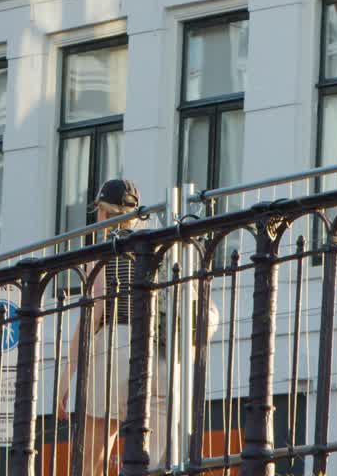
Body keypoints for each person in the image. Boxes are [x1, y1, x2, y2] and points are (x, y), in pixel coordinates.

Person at [56, 178, 219, 474]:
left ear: (104, 213)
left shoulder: (106, 249)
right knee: (152, 461)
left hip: (113, 349)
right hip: (160, 353)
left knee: (93, 457)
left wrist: (67, 375)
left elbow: (95, 312)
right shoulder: (162, 246)